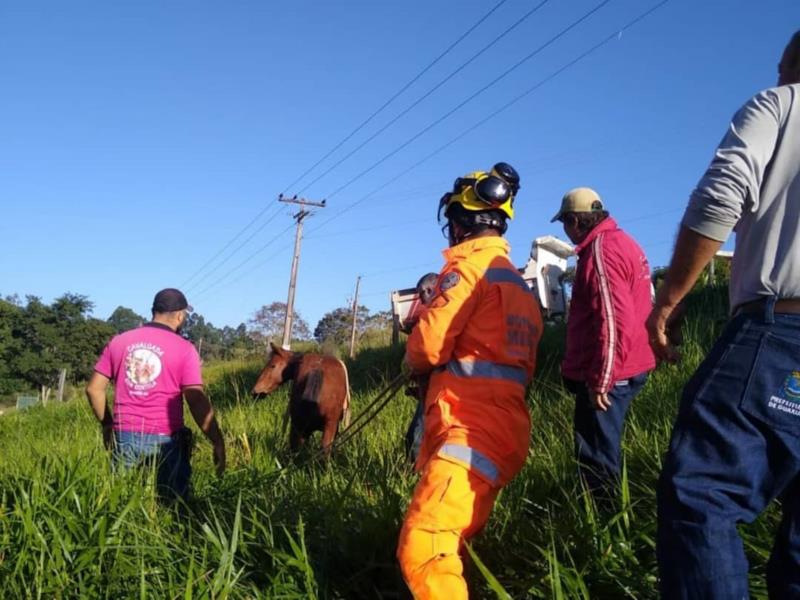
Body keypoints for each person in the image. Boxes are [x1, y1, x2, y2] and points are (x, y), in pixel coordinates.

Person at [648, 30, 800, 598]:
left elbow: (720, 193)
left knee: (702, 496)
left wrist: (671, 297)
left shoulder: (782, 104)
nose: (780, 74)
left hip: (782, 333)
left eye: (785, 65)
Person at [397, 162, 543, 598]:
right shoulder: (516, 283)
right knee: (452, 542)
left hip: (468, 426)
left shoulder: (465, 272)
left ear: (460, 223)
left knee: (423, 547)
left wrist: (417, 346)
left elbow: (427, 349)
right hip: (504, 428)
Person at [551, 187, 655, 502]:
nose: (566, 232)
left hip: (610, 373)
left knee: (596, 457)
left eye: (565, 224)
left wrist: (601, 380)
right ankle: (610, 516)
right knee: (603, 450)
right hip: (630, 364)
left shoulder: (600, 251)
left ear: (574, 220)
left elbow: (612, 321)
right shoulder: (624, 242)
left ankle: (606, 531)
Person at [85, 288, 226, 501]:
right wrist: (217, 440)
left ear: (154, 311)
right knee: (173, 507)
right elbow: (196, 400)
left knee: (120, 503)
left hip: (124, 435)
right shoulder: (185, 349)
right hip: (167, 440)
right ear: (180, 315)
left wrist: (107, 425)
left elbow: (93, 389)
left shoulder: (119, 341)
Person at [401, 272, 439, 461]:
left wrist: (410, 366)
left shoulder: (437, 317)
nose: (422, 299)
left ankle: (416, 478)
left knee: (416, 439)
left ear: (430, 289)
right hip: (430, 389)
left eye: (423, 293)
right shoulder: (436, 314)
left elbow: (429, 352)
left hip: (437, 392)